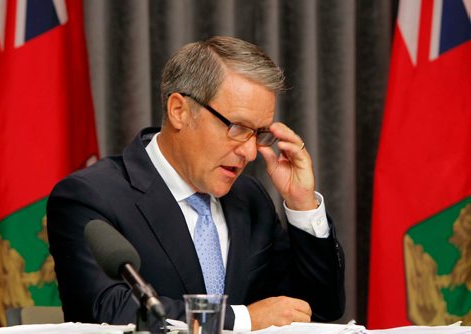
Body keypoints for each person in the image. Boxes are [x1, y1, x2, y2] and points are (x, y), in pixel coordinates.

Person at [47, 36, 345, 332]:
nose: (251, 152)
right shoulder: (91, 196)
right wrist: (243, 320)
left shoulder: (250, 198)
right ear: (179, 110)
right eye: (238, 128)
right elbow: (106, 310)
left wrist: (302, 204)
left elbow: (314, 309)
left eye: (259, 133)